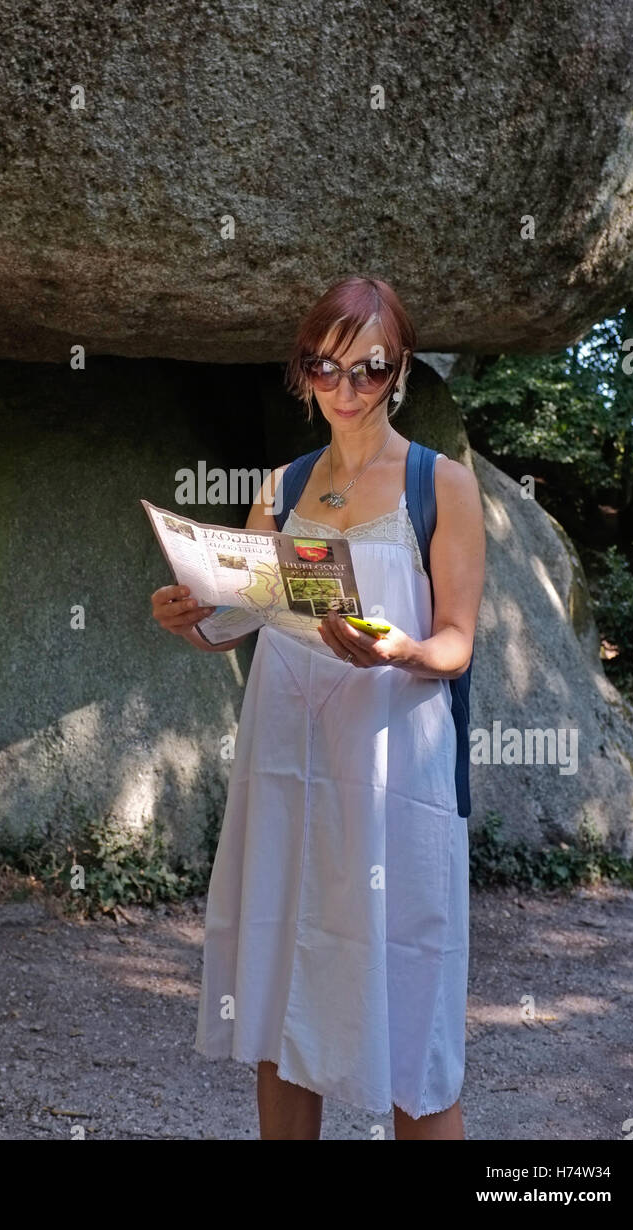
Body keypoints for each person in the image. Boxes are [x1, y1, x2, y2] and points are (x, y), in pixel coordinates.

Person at [150, 276, 485, 1140]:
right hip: (288, 776)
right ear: (303, 372)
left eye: (367, 370)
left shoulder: (437, 483)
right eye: (323, 368)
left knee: (414, 1033)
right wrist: (192, 618)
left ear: (399, 370)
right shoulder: (281, 484)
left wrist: (402, 650)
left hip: (390, 785)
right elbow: (241, 618)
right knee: (278, 1007)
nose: (345, 390)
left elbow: (457, 640)